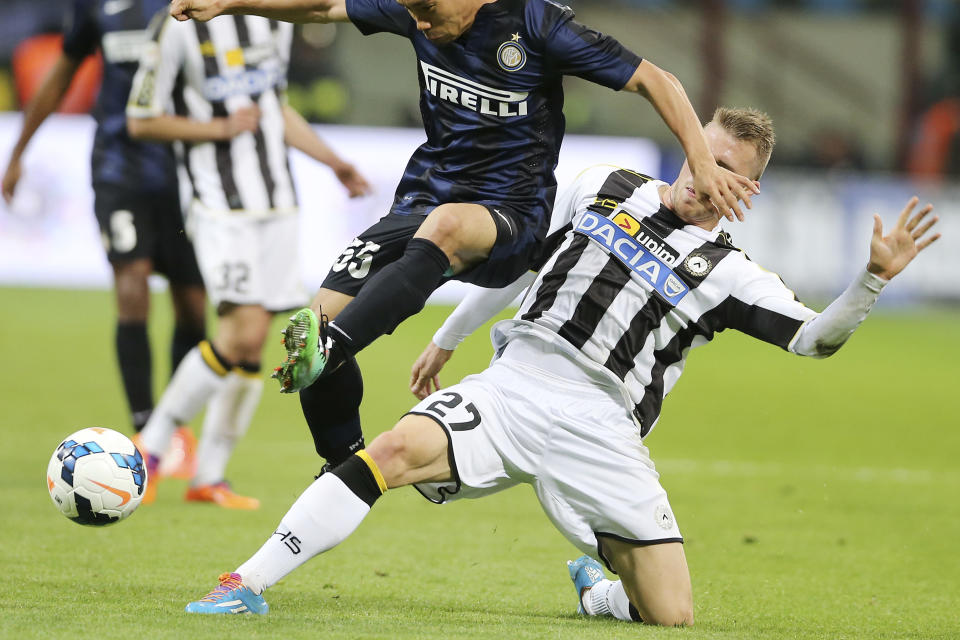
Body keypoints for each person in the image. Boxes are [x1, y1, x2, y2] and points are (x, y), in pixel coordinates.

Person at [179, 106, 939, 622]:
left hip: (604, 428)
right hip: (518, 383)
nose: (703, 166)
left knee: (670, 613)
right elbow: (515, 269)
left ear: (747, 189)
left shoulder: (733, 275)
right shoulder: (604, 186)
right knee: (392, 450)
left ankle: (599, 593)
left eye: (726, 165)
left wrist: (870, 279)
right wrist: (449, 335)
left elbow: (814, 341)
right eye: (701, 148)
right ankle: (246, 581)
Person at [168, 0, 760, 475]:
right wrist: (225, 2)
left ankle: (336, 345)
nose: (419, 24)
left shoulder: (538, 26)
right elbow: (323, 3)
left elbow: (657, 79)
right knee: (313, 326)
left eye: (426, 9)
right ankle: (341, 466)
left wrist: (701, 162)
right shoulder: (413, 2)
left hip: (510, 215)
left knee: (441, 232)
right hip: (423, 200)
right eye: (409, 11)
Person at [126, 0, 370, 509]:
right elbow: (141, 118)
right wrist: (216, 131)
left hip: (278, 205)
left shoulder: (270, 21)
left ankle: (209, 475)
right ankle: (150, 451)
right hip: (218, 205)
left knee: (256, 346)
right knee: (240, 331)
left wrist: (333, 161)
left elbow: (273, 110)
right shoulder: (176, 21)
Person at [2, 0, 202, 470]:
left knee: (193, 307)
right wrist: (18, 151)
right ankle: (146, 430)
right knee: (132, 284)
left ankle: (174, 423)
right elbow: (62, 71)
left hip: (190, 174)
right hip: (119, 168)